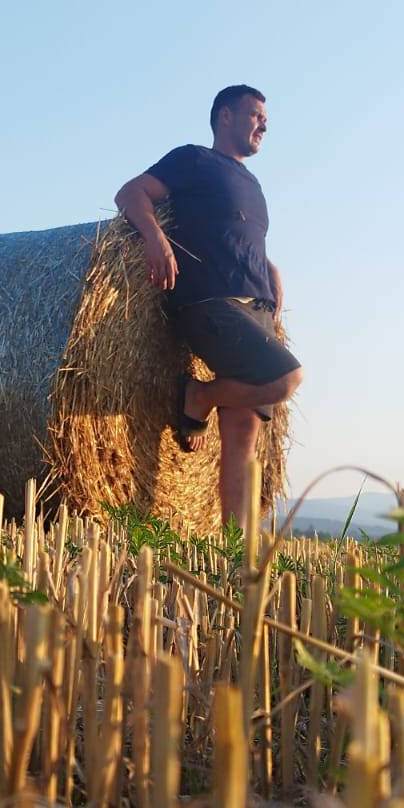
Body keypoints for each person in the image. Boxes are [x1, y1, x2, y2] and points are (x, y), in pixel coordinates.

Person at [114, 85, 303, 527]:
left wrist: (271, 270)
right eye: (255, 114)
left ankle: (236, 554)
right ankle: (200, 394)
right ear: (224, 116)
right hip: (213, 302)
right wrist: (154, 237)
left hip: (256, 308)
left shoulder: (253, 185)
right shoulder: (194, 160)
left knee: (243, 439)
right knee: (286, 377)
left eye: (266, 119)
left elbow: (238, 238)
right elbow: (130, 193)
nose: (264, 124)